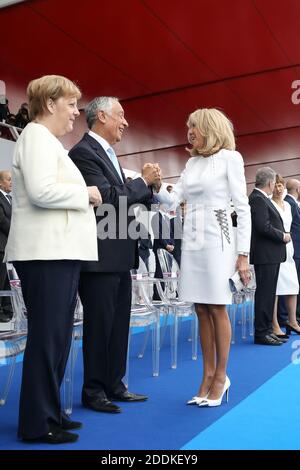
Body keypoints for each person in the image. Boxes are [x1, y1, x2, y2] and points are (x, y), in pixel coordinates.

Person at [4, 75, 101, 444]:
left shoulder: (47, 142)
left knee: (58, 338)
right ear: (50, 104)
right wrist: (87, 194)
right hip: (46, 254)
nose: (77, 113)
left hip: (58, 253)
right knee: (48, 339)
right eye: (72, 104)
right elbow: (43, 192)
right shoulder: (36, 137)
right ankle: (37, 422)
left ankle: (51, 412)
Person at [154, 108, 251, 407]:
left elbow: (242, 206)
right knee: (200, 307)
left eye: (193, 125)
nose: (189, 131)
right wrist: (156, 185)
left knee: (217, 306)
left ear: (209, 127)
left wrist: (243, 254)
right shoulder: (192, 162)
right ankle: (207, 375)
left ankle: (221, 376)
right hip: (193, 239)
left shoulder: (230, 159)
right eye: (187, 126)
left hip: (219, 237)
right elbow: (174, 199)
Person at [69, 96, 160, 413]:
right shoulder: (82, 153)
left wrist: (149, 189)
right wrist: (142, 182)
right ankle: (93, 390)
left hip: (120, 253)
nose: (126, 122)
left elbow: (127, 201)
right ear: (102, 116)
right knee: (100, 325)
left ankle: (115, 385)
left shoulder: (109, 154)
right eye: (121, 115)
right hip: (99, 257)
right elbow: (107, 199)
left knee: (119, 324)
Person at [249, 167, 289, 346]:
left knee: (268, 293)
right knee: (265, 294)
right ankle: (261, 332)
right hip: (265, 255)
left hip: (270, 255)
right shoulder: (257, 199)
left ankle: (266, 330)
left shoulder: (261, 199)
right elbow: (262, 226)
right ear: (271, 183)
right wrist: (282, 235)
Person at [271, 175, 300, 337]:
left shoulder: (287, 206)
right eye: (276, 185)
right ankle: (275, 323)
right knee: (276, 288)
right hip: (275, 247)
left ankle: (292, 321)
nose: (279, 188)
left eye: (281, 185)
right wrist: (281, 236)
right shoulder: (270, 203)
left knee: (292, 286)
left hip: (289, 248)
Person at [0, 170, 13, 321]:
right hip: (1, 246)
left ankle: (7, 310)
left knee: (8, 281)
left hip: (10, 248)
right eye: (9, 180)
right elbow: (2, 220)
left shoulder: (10, 199)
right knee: (1, 279)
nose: (12, 182)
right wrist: (16, 232)